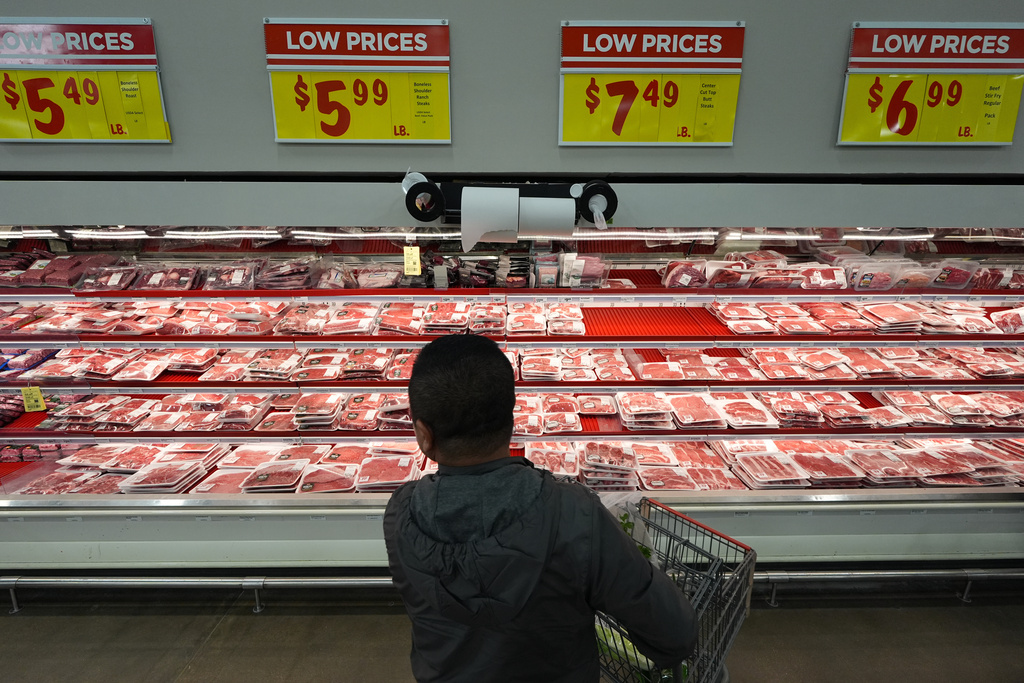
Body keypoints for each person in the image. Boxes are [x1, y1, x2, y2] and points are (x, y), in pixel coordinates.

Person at [384, 334, 697, 682]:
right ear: (512, 419)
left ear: (424, 435)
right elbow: (675, 632)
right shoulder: (575, 513)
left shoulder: (401, 514)